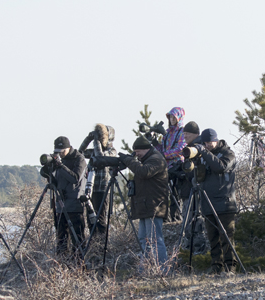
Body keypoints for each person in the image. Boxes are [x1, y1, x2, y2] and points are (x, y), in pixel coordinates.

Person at [118, 135, 169, 270]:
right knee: (143, 239)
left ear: (145, 149)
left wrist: (128, 160)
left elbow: (144, 172)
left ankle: (162, 270)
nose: (136, 155)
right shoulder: (148, 159)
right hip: (146, 206)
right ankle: (146, 270)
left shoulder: (156, 159)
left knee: (155, 240)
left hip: (154, 206)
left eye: (137, 152)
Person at [193, 128, 237, 274]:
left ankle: (230, 267)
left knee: (227, 238)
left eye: (209, 142)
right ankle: (216, 267)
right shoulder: (203, 156)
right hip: (207, 202)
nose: (207, 145)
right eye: (204, 143)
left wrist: (204, 153)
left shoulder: (228, 154)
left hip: (225, 203)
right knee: (213, 239)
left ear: (216, 140)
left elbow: (221, 167)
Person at [40, 136, 87, 258]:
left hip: (75, 205)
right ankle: (62, 265)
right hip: (61, 205)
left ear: (69, 148)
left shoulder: (79, 159)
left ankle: (79, 267)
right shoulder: (60, 160)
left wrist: (60, 165)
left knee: (78, 240)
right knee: (61, 239)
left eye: (62, 151)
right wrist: (48, 173)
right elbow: (57, 182)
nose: (60, 154)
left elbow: (75, 178)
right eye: (57, 152)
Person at [78, 124, 117, 236]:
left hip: (102, 189)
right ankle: (93, 242)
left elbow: (101, 157)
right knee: (90, 218)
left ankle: (101, 243)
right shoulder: (94, 149)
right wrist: (88, 139)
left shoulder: (112, 151)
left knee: (100, 218)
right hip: (90, 188)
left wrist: (96, 142)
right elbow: (80, 153)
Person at [178, 121, 208, 253]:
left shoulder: (198, 148)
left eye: (187, 133)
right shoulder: (189, 148)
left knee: (195, 221)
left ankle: (197, 250)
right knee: (188, 222)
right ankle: (189, 251)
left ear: (195, 134)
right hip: (188, 190)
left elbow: (198, 172)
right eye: (183, 133)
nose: (184, 136)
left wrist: (185, 173)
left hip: (196, 191)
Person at [156, 107, 186, 222]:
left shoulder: (182, 131)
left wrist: (165, 155)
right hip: (166, 168)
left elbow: (180, 149)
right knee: (164, 194)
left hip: (178, 166)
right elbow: (162, 149)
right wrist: (155, 144)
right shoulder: (167, 132)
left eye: (174, 117)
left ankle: (176, 218)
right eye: (170, 117)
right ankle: (165, 218)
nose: (172, 119)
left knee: (176, 194)